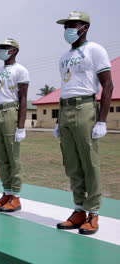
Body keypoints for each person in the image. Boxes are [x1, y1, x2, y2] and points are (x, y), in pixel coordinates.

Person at [54, 11, 114, 235]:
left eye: (73, 24)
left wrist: (102, 121)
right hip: (66, 109)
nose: (68, 29)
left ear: (85, 27)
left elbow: (107, 85)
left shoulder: (95, 49)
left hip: (85, 108)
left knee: (89, 162)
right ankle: (78, 209)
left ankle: (93, 213)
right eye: (66, 25)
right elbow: (66, 86)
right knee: (72, 163)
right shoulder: (63, 57)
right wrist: (59, 119)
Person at [0, 38, 30, 212]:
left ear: (14, 50)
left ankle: (16, 197)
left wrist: (21, 126)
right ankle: (6, 192)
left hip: (11, 111)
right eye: (0, 48)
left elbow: (23, 98)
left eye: (5, 48)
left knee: (13, 158)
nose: (1, 50)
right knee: (1, 157)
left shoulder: (21, 70)